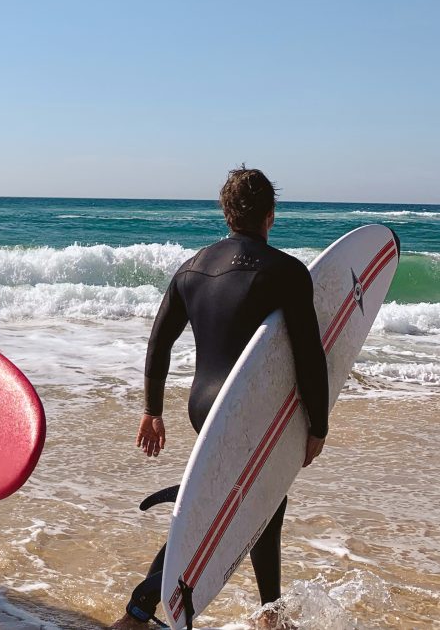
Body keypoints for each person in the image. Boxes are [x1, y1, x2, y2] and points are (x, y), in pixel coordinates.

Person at [111, 168, 329, 629]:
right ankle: (139, 610)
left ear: (225, 213)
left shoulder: (191, 267)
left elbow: (158, 343)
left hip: (202, 406)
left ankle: (272, 613)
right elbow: (310, 354)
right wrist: (318, 422)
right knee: (220, 511)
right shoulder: (286, 271)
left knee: (265, 505)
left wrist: (152, 410)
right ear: (271, 214)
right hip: (249, 409)